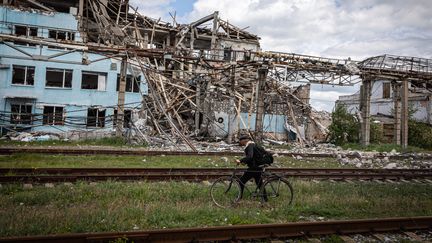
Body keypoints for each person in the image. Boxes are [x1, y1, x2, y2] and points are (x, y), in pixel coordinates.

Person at [235, 135, 268, 201]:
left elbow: (250, 156)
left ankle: (239, 197)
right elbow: (253, 158)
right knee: (259, 183)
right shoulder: (254, 145)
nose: (239, 142)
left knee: (241, 181)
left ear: (244, 140)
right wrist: (245, 162)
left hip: (254, 167)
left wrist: (241, 160)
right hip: (258, 167)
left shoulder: (250, 146)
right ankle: (265, 199)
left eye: (240, 141)